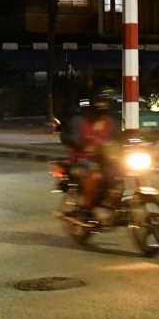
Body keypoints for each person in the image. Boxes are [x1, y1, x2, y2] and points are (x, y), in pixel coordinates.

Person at [68, 93, 119, 226]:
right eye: (99, 104)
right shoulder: (81, 122)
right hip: (81, 161)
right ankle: (85, 210)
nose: (102, 107)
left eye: (104, 104)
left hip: (104, 161)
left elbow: (119, 139)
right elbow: (72, 138)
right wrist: (83, 146)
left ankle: (113, 203)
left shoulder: (110, 123)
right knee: (95, 175)